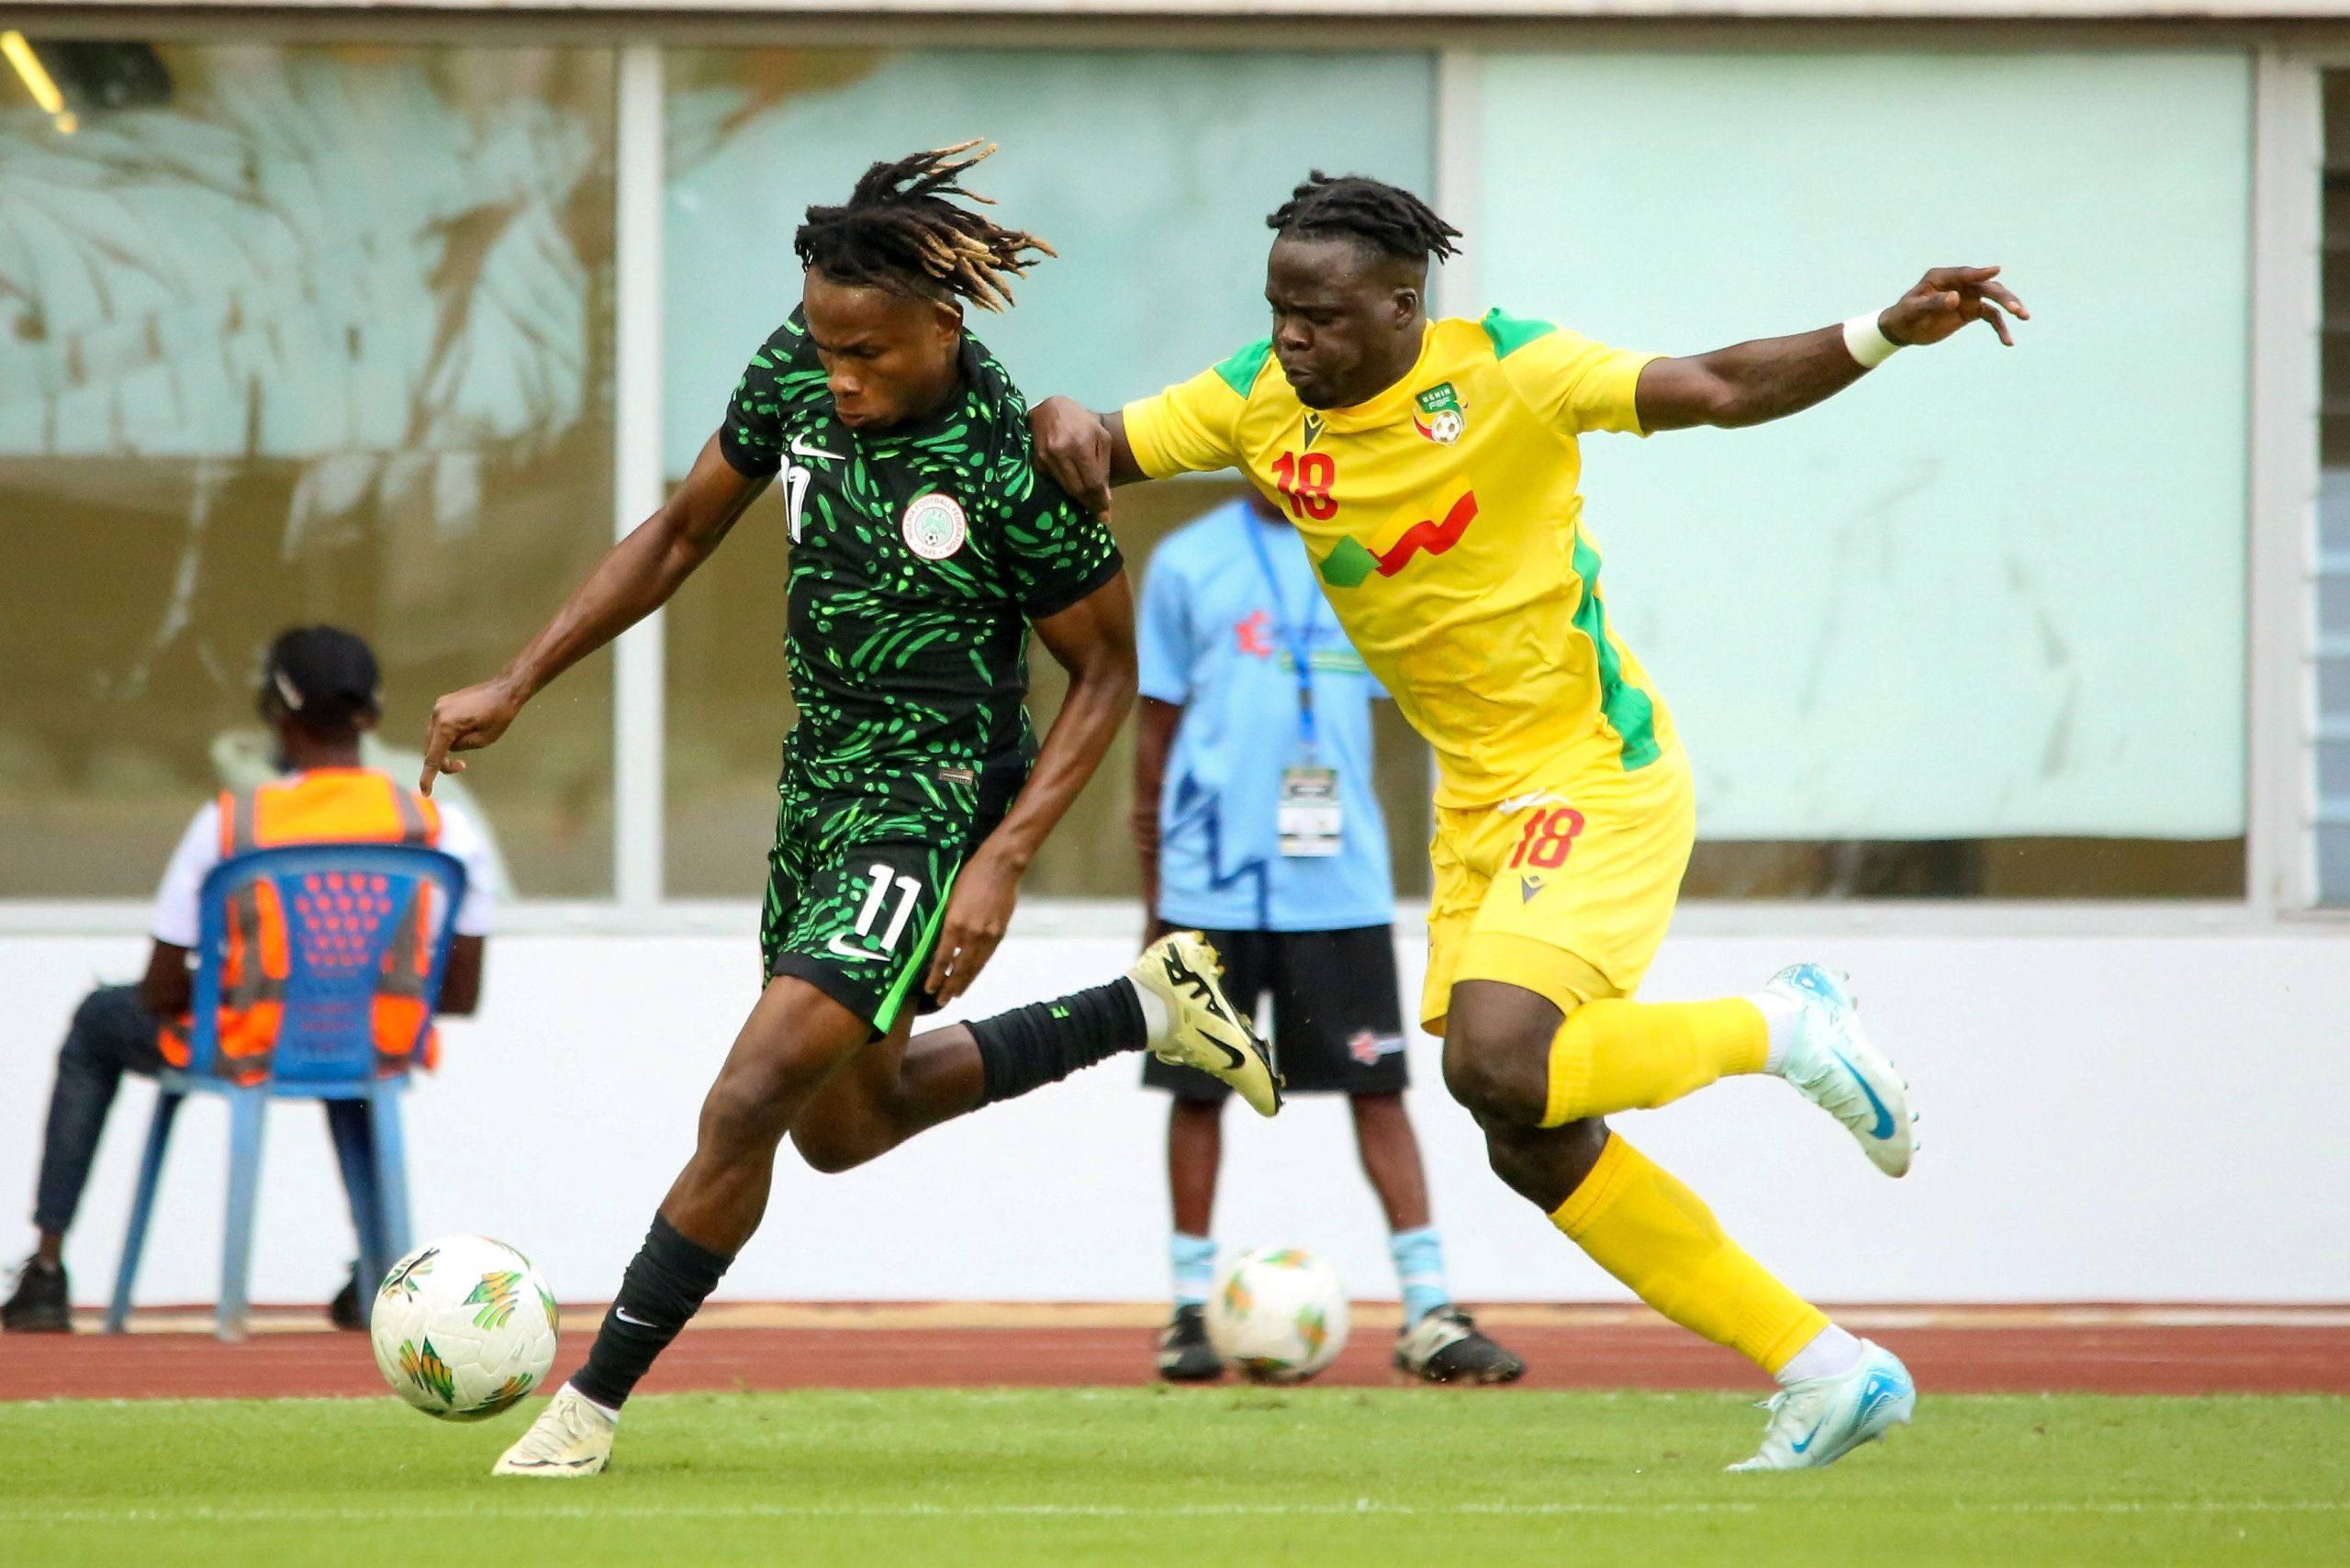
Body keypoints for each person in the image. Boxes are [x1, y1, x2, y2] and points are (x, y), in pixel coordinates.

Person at [1030, 172, 2029, 1470]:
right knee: (1531, 1137)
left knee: (1496, 1063)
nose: (1292, 338)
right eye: (1279, 309)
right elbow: (1096, 443)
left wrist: (1881, 332)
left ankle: (1784, 1023)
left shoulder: (1506, 370)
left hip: (1593, 771)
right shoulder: (1254, 400)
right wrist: (1056, 414)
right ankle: (1826, 1367)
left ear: (1403, 305)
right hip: (1479, 802)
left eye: (1321, 316)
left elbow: (1718, 387)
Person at [418, 144, 1277, 1479]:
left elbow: (1107, 672)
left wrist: (1000, 861)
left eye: (866, 353)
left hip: (934, 801)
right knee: (841, 1125)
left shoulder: (1013, 465)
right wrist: (519, 680)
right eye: (825, 346)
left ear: (945, 323)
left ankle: (586, 1409)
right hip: (821, 786)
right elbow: (681, 531)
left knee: (750, 1092)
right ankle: (1148, 1008)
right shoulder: (800, 368)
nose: (840, 377)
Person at [3, 626, 498, 1334]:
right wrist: (343, 985)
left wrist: (253, 981)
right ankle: (380, 1273)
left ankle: (46, 1272)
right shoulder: (442, 830)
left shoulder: (231, 826)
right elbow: (457, 996)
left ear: (278, 715)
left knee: (95, 1019)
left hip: (244, 1044)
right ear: (374, 715)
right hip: (375, 1044)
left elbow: (159, 993)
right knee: (341, 1036)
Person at [1133, 489, 1521, 1384]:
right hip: (1212, 881)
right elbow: (1152, 732)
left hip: (1336, 879)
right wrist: (1157, 892)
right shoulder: (1189, 564)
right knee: (1197, 1092)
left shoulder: (1373, 556)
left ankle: (1428, 1310)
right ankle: (1190, 1308)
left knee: (1377, 1089)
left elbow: (1442, 703)